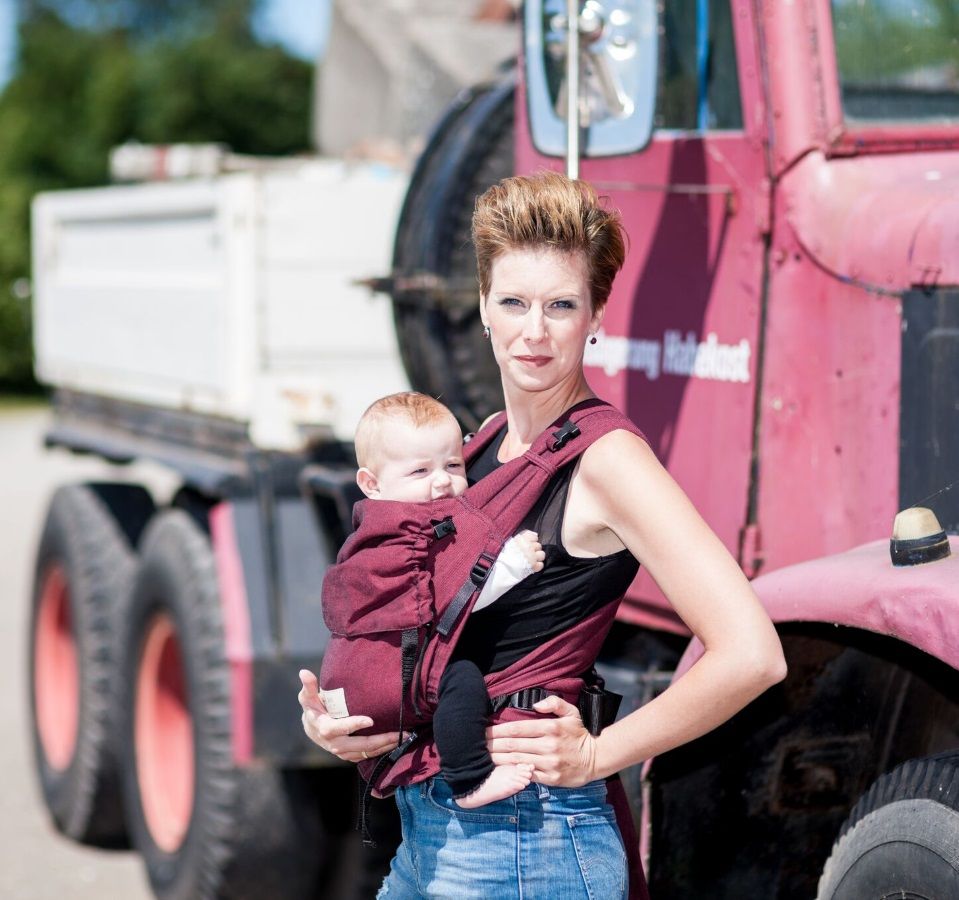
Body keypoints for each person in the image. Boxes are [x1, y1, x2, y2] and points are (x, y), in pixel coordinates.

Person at [299, 171, 787, 899]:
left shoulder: (607, 459)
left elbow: (752, 654)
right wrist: (348, 720)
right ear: (482, 311)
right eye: (514, 303)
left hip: (527, 840)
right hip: (430, 832)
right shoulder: (472, 452)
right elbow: (420, 628)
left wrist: (597, 755)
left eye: (560, 305)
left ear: (594, 316)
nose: (534, 331)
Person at [330, 390, 546, 807]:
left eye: (452, 464)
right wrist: (509, 569)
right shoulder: (402, 535)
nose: (443, 481)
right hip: (384, 674)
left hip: (358, 680)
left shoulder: (377, 530)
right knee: (462, 680)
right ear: (371, 484)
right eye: (420, 471)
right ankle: (469, 781)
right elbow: (445, 604)